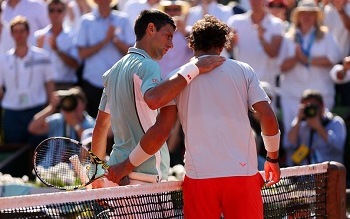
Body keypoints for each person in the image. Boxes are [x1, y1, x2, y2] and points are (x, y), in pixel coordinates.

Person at [105, 15, 281, 218]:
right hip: (242, 176)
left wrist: (125, 166)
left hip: (200, 179)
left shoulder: (176, 78)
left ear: (192, 44)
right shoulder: (244, 71)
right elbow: (267, 116)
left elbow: (161, 131)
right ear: (222, 45)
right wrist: (272, 158)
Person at [90, 10, 225, 188]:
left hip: (116, 178)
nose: (171, 44)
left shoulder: (112, 72)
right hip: (145, 178)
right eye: (167, 36)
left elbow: (100, 127)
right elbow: (154, 100)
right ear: (151, 29)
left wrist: (97, 175)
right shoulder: (148, 66)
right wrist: (194, 68)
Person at [278, 0, 342, 166]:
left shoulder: (326, 36)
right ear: (297, 17)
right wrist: (296, 59)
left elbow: (333, 59)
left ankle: (324, 174)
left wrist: (307, 59)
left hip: (321, 95)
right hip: (292, 96)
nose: (307, 17)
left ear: (316, 17)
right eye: (303, 14)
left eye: (311, 14)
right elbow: (281, 65)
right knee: (292, 139)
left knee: (319, 135)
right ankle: (292, 177)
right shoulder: (288, 37)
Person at [0, 15, 55, 144]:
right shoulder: (3, 60)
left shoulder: (42, 56)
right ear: (11, 34)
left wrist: (50, 108)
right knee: (13, 154)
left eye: (22, 31)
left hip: (36, 111)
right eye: (16, 31)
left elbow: (50, 84)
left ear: (28, 32)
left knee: (38, 153)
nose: (19, 35)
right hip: (12, 112)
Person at [74, 0, 134, 118]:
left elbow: (132, 52)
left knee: (119, 124)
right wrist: (105, 41)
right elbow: (81, 54)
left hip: (117, 82)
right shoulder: (86, 21)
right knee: (93, 122)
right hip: (92, 82)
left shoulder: (123, 19)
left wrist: (115, 41)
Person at [227, 0, 285, 94]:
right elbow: (228, 49)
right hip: (242, 83)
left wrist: (262, 38)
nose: (256, 1)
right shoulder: (235, 21)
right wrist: (232, 42)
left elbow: (273, 53)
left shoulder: (276, 24)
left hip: (267, 85)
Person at [287, 89, 346, 166]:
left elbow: (339, 148)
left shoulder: (335, 122)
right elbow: (288, 144)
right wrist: (298, 119)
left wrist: (319, 128)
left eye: (313, 106)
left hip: (330, 172)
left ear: (322, 106)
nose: (310, 110)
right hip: (306, 173)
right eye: (307, 107)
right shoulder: (302, 125)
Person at [34, 0, 80, 90]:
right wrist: (38, 50)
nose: (55, 13)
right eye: (51, 10)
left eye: (59, 10)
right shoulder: (39, 36)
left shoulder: (73, 35)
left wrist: (57, 49)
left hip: (66, 85)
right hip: (44, 86)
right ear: (48, 13)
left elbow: (76, 64)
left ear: (64, 13)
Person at [28, 86, 95, 141]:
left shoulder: (91, 123)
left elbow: (91, 145)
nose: (73, 106)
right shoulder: (57, 120)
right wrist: (51, 108)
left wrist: (75, 124)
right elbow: (33, 128)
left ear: (84, 104)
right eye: (69, 102)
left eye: (75, 103)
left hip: (77, 157)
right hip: (52, 157)